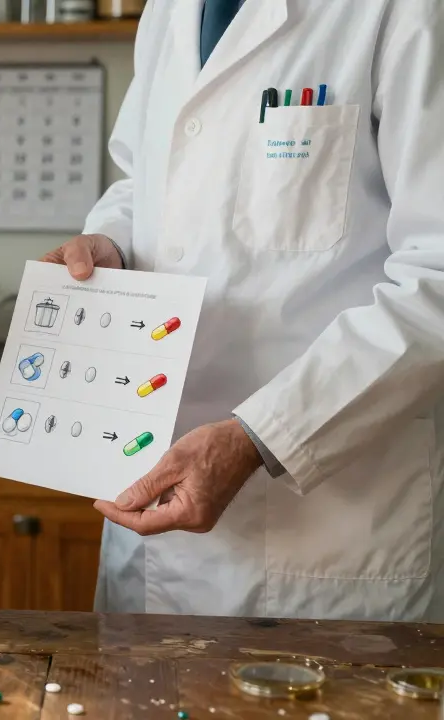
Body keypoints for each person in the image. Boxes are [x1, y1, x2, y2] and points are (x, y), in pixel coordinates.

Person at [44, 0, 444, 621]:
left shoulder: (406, 12)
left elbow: (437, 272)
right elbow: (140, 179)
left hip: (326, 537)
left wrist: (260, 437)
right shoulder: (167, 13)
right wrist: (112, 244)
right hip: (151, 529)